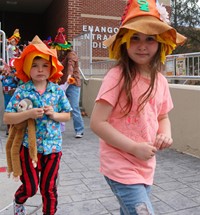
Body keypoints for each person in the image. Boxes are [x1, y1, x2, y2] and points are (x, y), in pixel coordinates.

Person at [90, 0, 187, 214]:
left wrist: (165, 135)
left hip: (146, 165)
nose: (142, 45)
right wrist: (133, 148)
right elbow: (97, 123)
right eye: (135, 37)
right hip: (119, 164)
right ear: (123, 41)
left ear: (160, 43)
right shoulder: (116, 76)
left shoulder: (160, 80)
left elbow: (163, 117)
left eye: (150, 39)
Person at [3, 35, 72, 215]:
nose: (40, 70)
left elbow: (67, 115)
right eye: (35, 65)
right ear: (27, 67)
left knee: (48, 189)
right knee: (31, 187)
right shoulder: (22, 90)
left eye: (44, 65)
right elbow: (7, 118)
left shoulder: (56, 91)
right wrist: (28, 114)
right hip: (28, 148)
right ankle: (19, 201)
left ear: (52, 67)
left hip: (53, 148)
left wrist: (54, 114)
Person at [51, 27, 84, 137]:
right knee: (59, 106)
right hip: (62, 84)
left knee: (74, 107)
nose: (59, 49)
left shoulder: (71, 54)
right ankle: (60, 128)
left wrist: (68, 79)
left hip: (72, 84)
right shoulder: (60, 55)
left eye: (61, 48)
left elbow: (70, 66)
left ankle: (79, 130)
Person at [0, 59, 19, 135]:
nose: (6, 69)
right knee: (7, 112)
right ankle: (8, 130)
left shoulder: (15, 75)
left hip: (13, 96)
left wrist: (13, 74)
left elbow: (18, 80)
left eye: (8, 67)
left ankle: (13, 130)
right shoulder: (4, 76)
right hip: (6, 96)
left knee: (13, 112)